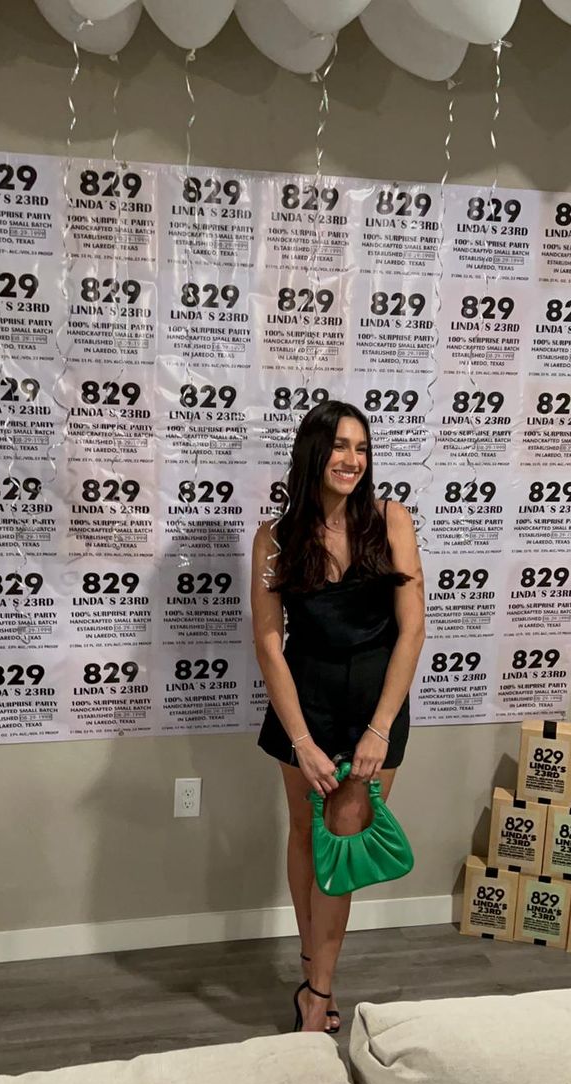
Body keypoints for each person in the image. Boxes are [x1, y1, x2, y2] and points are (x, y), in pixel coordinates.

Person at [251, 399, 425, 1035]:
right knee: (305, 834)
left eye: (362, 448)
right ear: (313, 454)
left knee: (343, 842)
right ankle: (309, 975)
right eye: (339, 446)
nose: (352, 459)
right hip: (304, 702)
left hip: (377, 705)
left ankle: (318, 992)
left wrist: (380, 728)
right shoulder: (274, 537)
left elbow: (411, 631)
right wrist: (300, 740)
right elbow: (270, 642)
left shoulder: (391, 520)